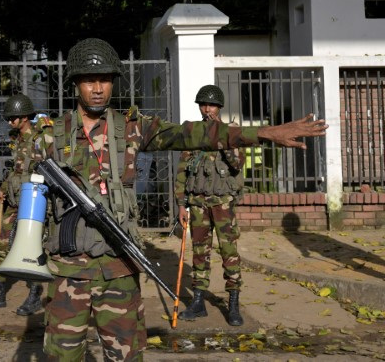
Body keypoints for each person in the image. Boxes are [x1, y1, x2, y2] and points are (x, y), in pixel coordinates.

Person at [37, 38, 327, 361]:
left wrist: (263, 134)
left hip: (119, 269)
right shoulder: (51, 136)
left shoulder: (132, 129)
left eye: (104, 79)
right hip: (68, 274)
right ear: (75, 82)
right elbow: (31, 201)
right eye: (89, 80)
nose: (97, 88)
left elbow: (193, 134)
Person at [175, 85, 246, 326]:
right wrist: (180, 204)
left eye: (212, 105)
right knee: (199, 253)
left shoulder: (231, 131)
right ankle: (198, 302)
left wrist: (222, 137)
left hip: (223, 204)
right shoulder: (194, 133)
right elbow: (183, 171)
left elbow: (237, 163)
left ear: (220, 107)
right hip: (197, 204)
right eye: (204, 105)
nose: (207, 109)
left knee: (229, 253)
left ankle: (233, 304)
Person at [0, 94, 44, 315]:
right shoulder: (18, 139)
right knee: (2, 245)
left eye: (12, 118)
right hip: (15, 200)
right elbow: (17, 169)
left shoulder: (41, 138)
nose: (9, 122)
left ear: (24, 117)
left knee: (33, 249)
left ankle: (34, 294)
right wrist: (4, 186)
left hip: (33, 202)